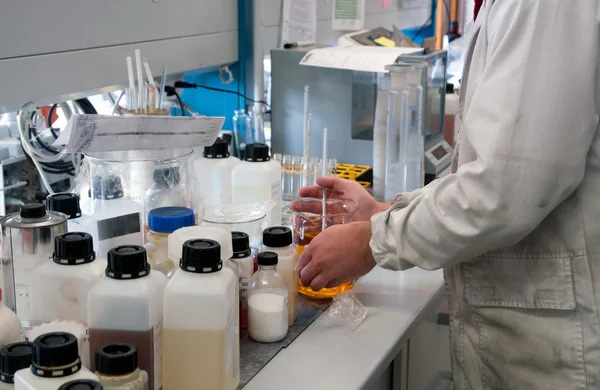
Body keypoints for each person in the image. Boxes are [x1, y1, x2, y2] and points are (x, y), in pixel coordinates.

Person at [294, 0, 600, 388]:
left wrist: (370, 241)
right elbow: (490, 171)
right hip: (528, 330)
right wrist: (384, 211)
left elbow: (505, 190)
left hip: (551, 346)